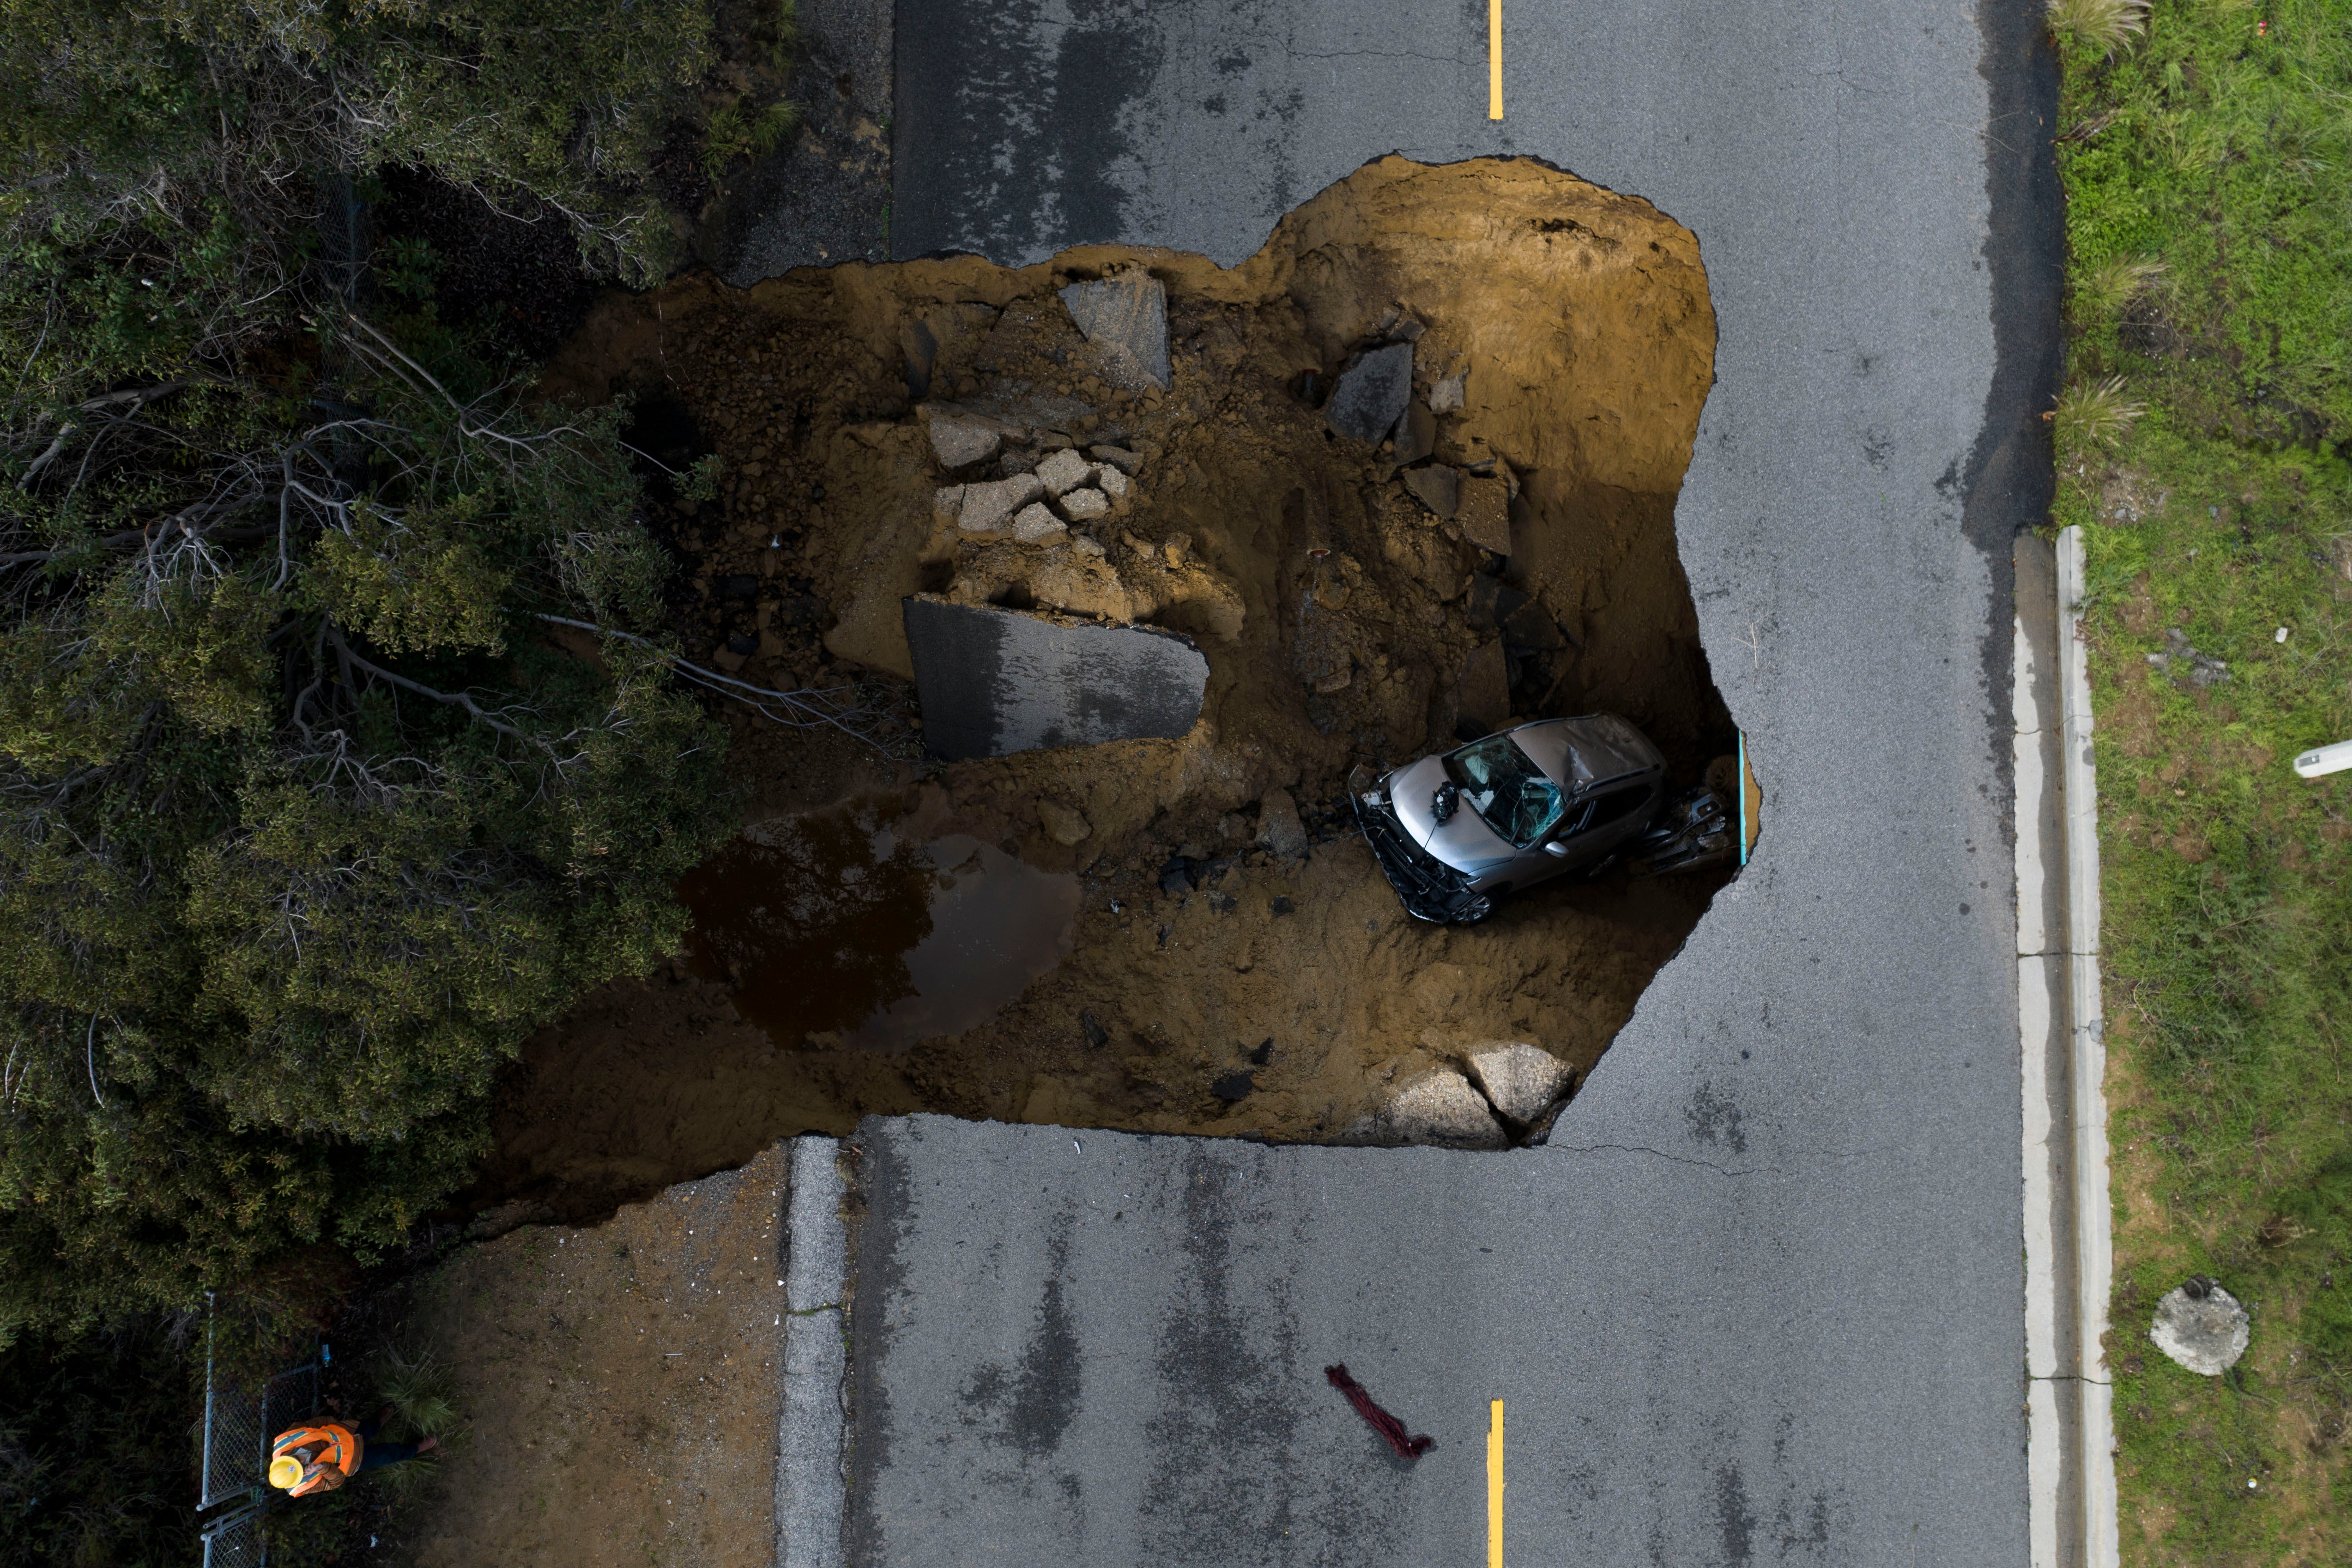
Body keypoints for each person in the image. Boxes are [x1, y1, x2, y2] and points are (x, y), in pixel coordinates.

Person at [268, 1409, 439, 1497]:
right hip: (355, 1459)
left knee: (369, 1427)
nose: (303, 1463)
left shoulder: (283, 1441)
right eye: (301, 1469)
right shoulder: (300, 1487)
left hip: (345, 1433)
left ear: (286, 1458)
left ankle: (379, 1420)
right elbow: (336, 1482)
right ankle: (415, 1448)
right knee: (389, 1454)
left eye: (298, 1460)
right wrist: (322, 1468)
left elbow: (310, 1424)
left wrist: (331, 1422)